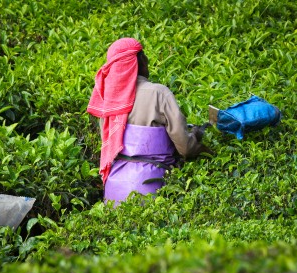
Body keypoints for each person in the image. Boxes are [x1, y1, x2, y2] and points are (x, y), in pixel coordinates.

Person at [87, 38, 212, 206]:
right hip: (151, 185)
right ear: (138, 62)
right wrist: (202, 145)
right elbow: (185, 147)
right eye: (144, 56)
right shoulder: (158, 93)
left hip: (113, 189)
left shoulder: (107, 101)